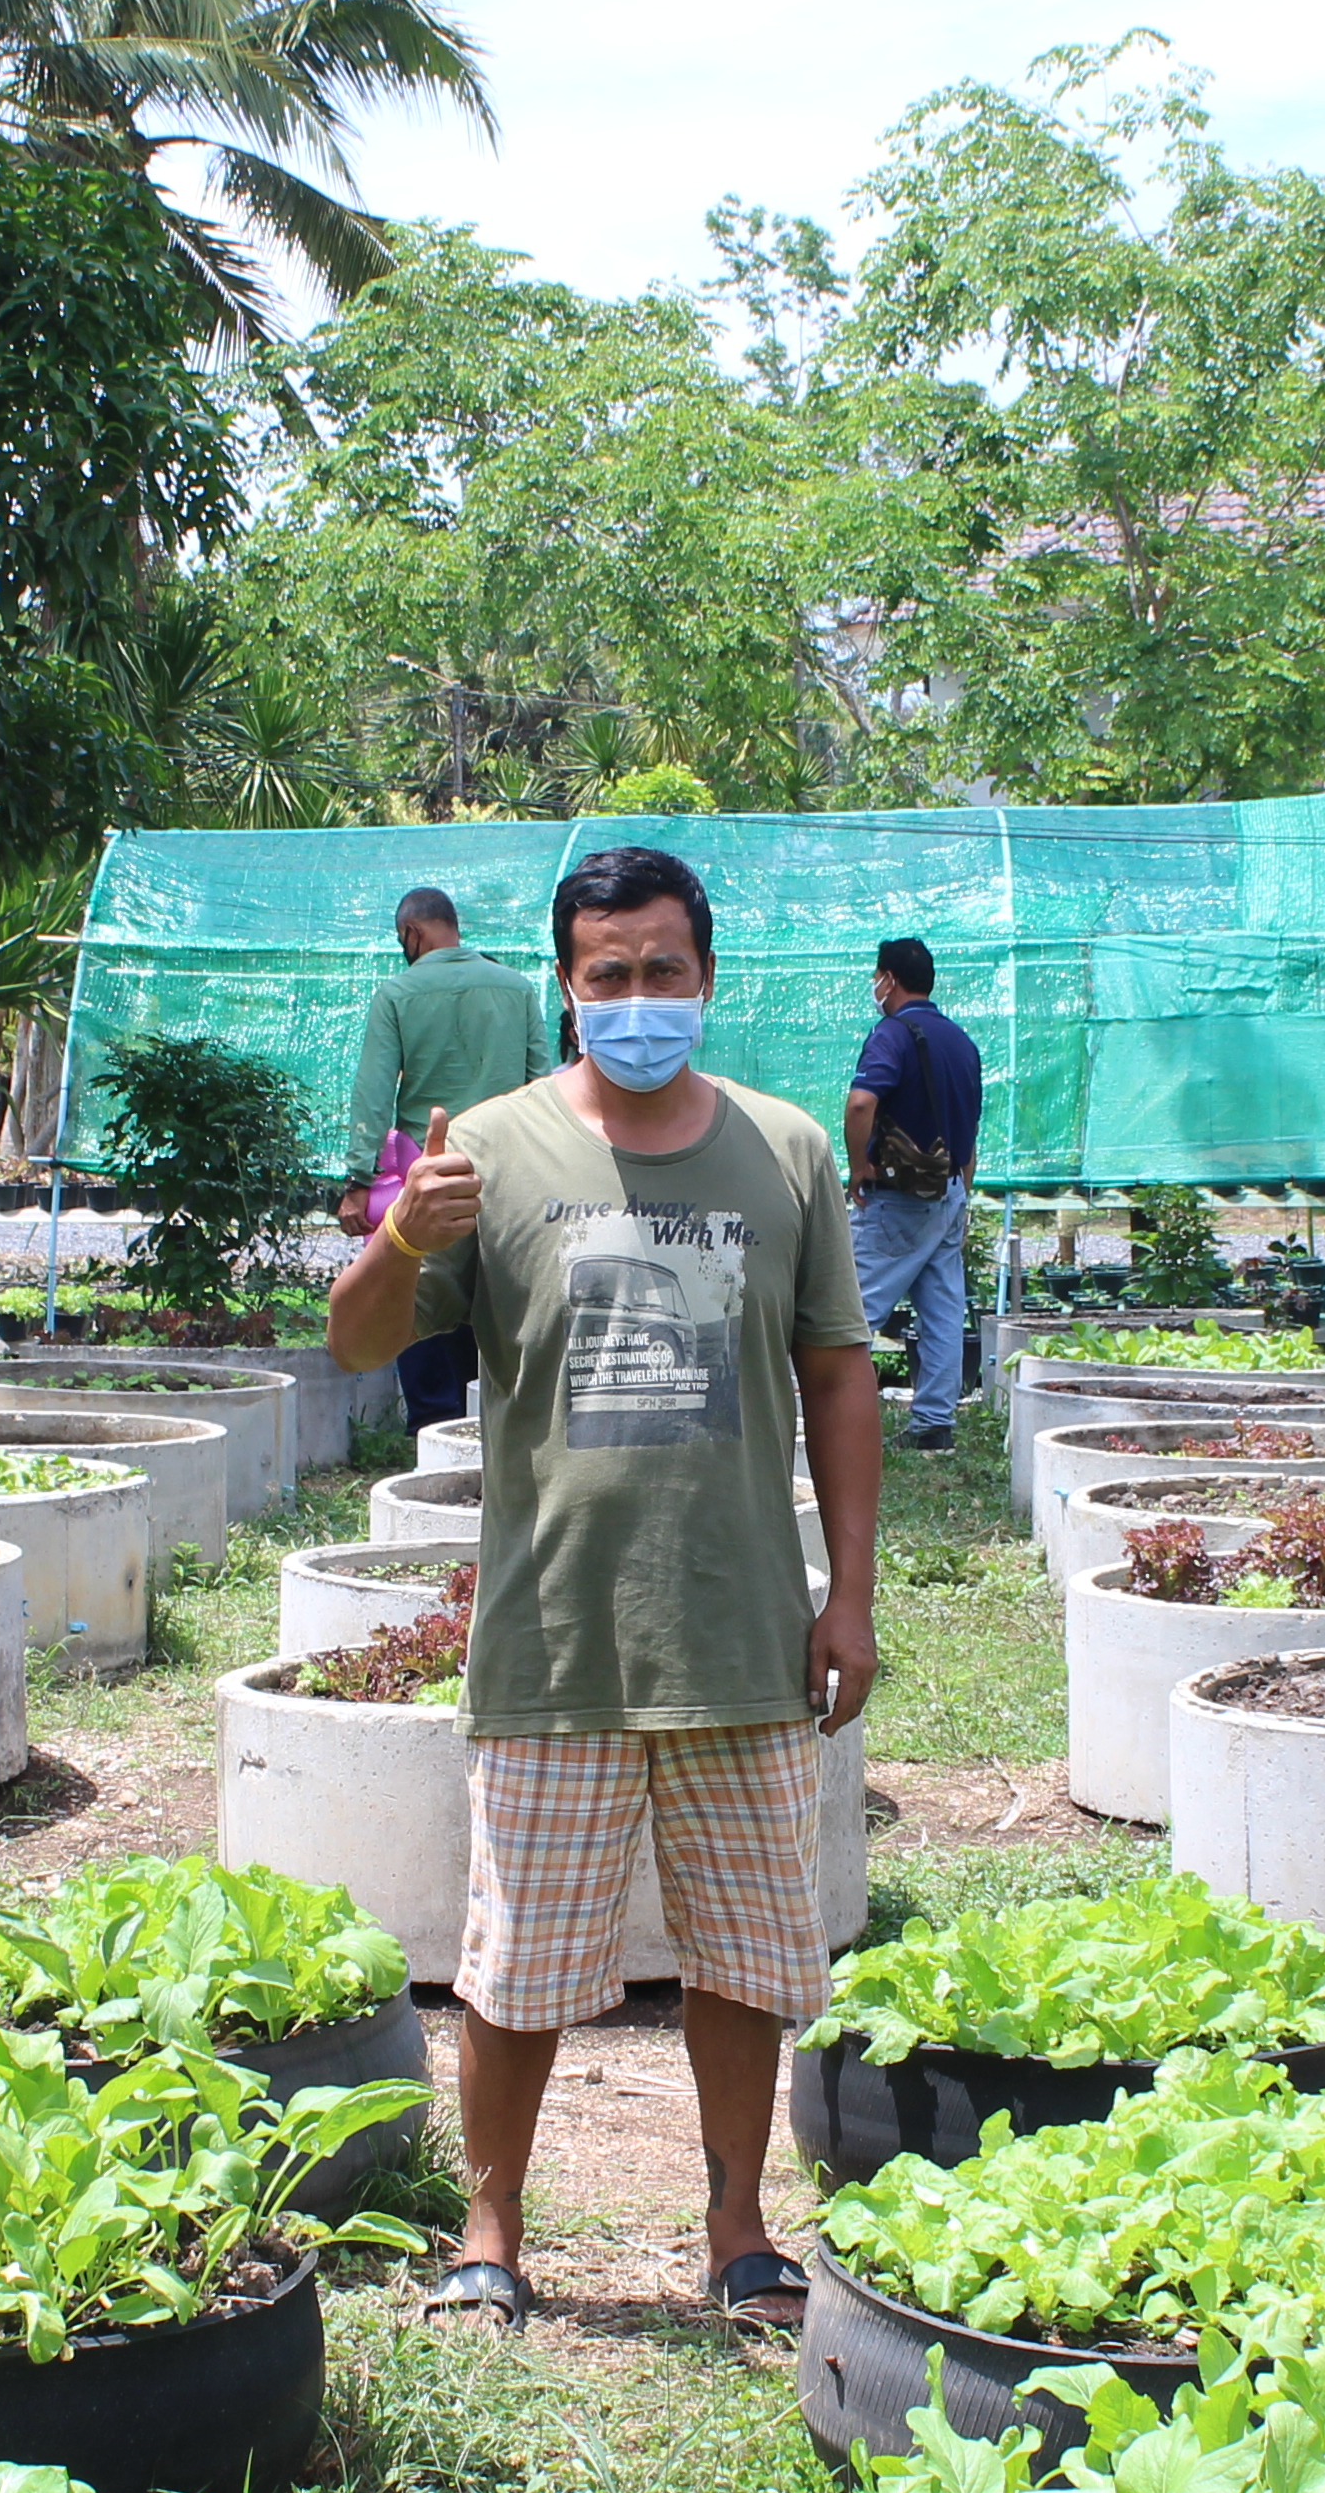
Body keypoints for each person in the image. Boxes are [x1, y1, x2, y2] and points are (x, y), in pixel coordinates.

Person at [326, 843, 879, 2335]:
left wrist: (852, 1595)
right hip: (555, 1628)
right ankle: (491, 2233)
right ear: (569, 991)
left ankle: (739, 2226)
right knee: (518, 1959)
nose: (639, 999)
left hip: (741, 1621)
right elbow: (357, 1344)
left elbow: (836, 1373)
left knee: (744, 1952)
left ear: (708, 978)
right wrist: (399, 1233)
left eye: (664, 973)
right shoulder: (488, 1150)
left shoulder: (784, 1152)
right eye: (608, 977)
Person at [336, 886, 535, 1430]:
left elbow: (374, 1093)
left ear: (412, 934)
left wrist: (359, 1179)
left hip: (427, 1178)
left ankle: (432, 1429)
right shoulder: (517, 989)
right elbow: (545, 1082)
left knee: (416, 1289)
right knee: (496, 1298)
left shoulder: (398, 994)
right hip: (509, 1176)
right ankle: (490, 1424)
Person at [842, 935, 984, 1450]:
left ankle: (831, 1422)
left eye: (877, 978)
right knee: (944, 1311)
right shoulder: (961, 1042)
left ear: (890, 980)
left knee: (851, 1310)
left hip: (898, 1196)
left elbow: (862, 1105)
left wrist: (860, 1166)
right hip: (949, 1192)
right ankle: (933, 1426)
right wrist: (960, 1191)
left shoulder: (893, 1033)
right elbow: (969, 1126)